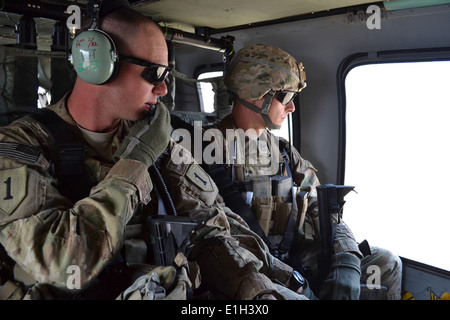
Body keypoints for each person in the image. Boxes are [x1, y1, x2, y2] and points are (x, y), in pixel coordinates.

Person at [0, 3, 309, 300]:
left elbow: (209, 226)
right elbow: (67, 265)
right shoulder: (18, 149)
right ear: (99, 67)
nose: (162, 90)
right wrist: (136, 159)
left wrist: (256, 288)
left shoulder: (153, 140)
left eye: (166, 77)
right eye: (154, 74)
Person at [203, 43, 402, 300]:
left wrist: (346, 258)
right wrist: (288, 277)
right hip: (246, 269)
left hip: (295, 256)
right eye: (285, 98)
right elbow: (216, 238)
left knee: (386, 263)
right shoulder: (206, 152)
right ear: (256, 94)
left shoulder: (284, 152)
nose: (292, 108)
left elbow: (322, 207)